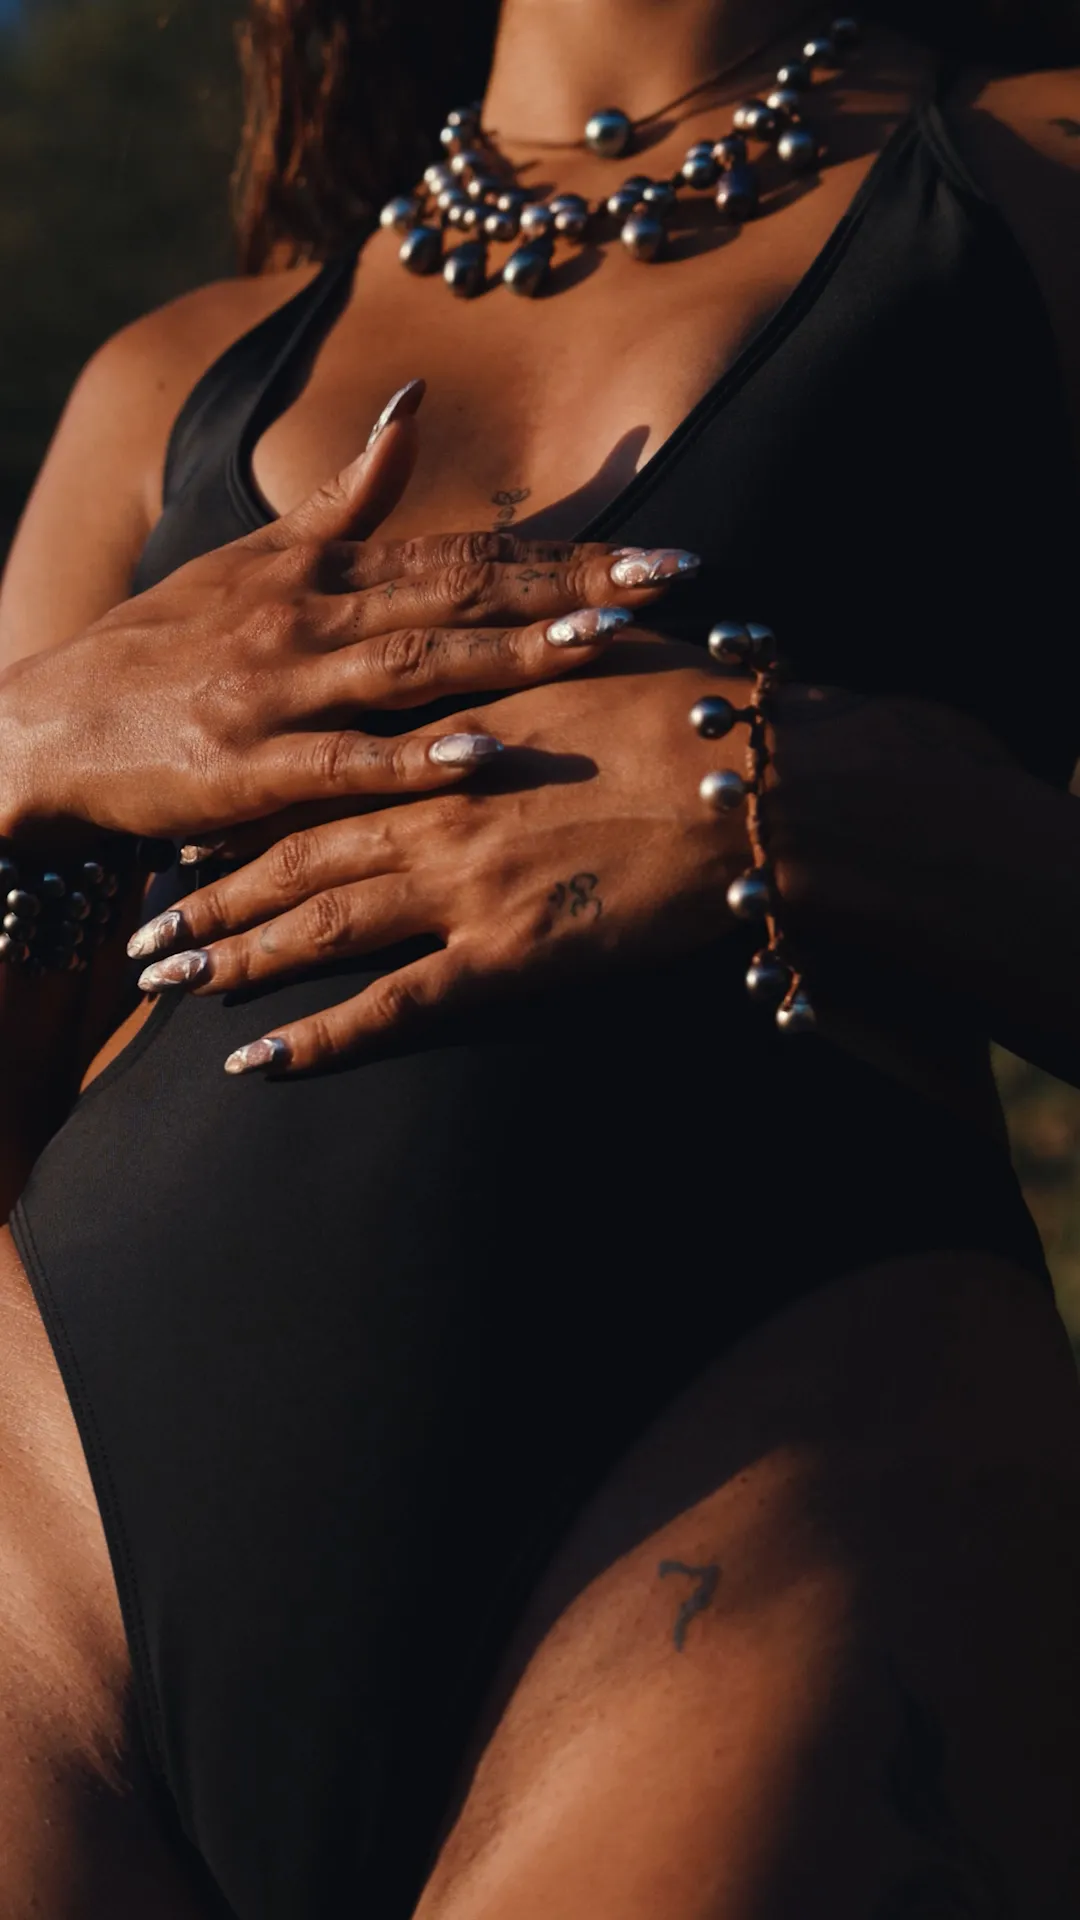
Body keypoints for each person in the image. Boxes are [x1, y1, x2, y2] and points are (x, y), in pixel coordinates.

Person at [0, 0, 1078, 1912]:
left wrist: (799, 792)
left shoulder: (1030, 189)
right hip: (45, 1609)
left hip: (739, 1546)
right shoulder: (169, 376)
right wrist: (26, 754)